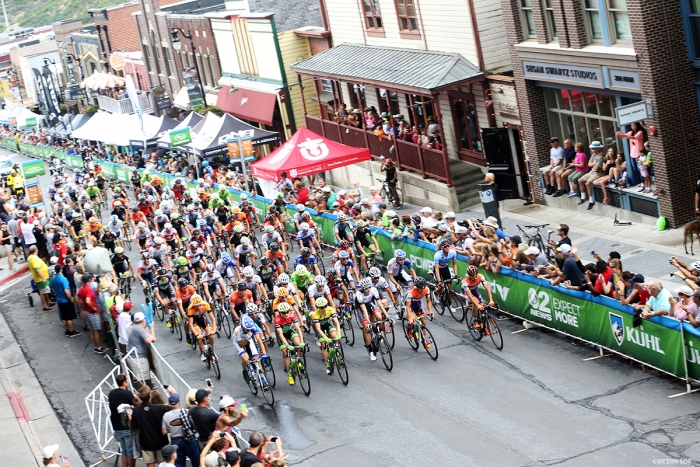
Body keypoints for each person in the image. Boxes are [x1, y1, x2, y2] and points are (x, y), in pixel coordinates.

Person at [131, 387, 172, 467]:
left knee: (150, 465)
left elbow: (135, 427)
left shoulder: (136, 411)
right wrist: (172, 393)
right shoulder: (159, 408)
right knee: (162, 464)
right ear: (150, 396)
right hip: (161, 441)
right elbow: (174, 407)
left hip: (146, 443)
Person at [161, 393, 200, 467]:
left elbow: (164, 432)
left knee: (179, 464)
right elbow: (194, 427)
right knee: (196, 461)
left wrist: (172, 428)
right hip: (188, 439)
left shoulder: (166, 415)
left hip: (175, 441)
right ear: (179, 402)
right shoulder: (186, 412)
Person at [108, 374, 135, 467]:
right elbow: (135, 404)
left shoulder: (111, 393)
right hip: (126, 426)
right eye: (127, 380)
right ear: (124, 382)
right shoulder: (127, 394)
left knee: (124, 450)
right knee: (130, 450)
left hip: (116, 426)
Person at [77, 274, 107, 354]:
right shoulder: (88, 289)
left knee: (92, 330)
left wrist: (81, 304)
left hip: (86, 311)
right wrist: (93, 307)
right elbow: (88, 300)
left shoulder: (81, 288)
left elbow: (77, 297)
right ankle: (99, 347)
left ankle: (96, 346)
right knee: (96, 330)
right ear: (89, 280)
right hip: (92, 312)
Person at [128, 311, 156, 388]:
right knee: (141, 378)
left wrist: (151, 329)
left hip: (138, 356)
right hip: (138, 357)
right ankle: (144, 396)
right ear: (143, 320)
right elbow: (149, 339)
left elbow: (151, 337)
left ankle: (148, 393)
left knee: (145, 376)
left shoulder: (136, 327)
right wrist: (152, 336)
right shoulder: (139, 329)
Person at [51, 265, 80, 337]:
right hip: (66, 300)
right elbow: (66, 291)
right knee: (69, 317)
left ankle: (66, 331)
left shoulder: (53, 279)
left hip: (59, 300)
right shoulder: (64, 279)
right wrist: (70, 299)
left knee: (63, 317)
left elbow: (53, 290)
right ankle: (71, 331)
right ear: (60, 270)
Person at [28, 245, 53, 310]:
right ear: (36, 250)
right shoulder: (34, 259)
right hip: (40, 279)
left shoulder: (30, 257)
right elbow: (37, 270)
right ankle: (44, 305)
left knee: (45, 291)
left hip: (39, 278)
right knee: (42, 292)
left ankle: (49, 302)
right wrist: (43, 278)